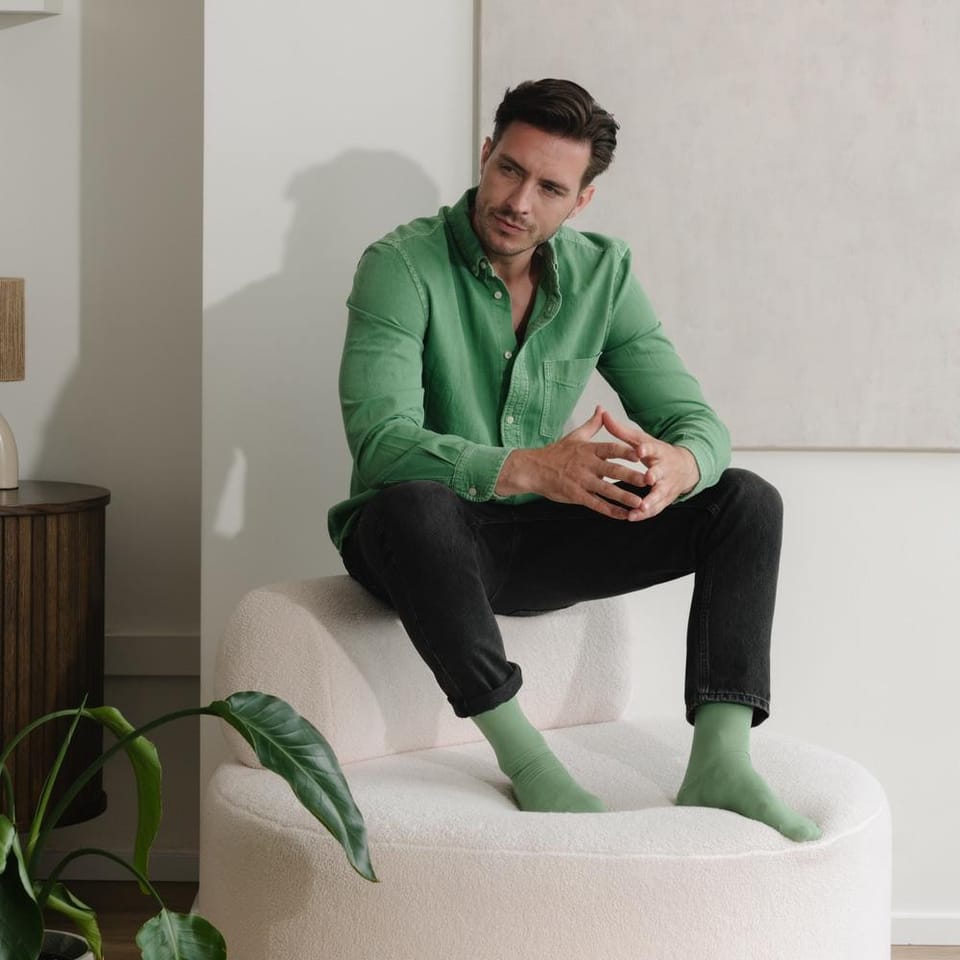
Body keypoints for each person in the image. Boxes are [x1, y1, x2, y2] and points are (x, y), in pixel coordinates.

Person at [329, 78, 820, 841]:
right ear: (485, 154)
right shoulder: (401, 265)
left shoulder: (603, 274)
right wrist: (531, 468)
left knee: (746, 499)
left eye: (550, 187)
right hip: (412, 542)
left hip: (529, 542)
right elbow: (382, 443)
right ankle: (529, 762)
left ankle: (721, 762)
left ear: (581, 199)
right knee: (415, 502)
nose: (519, 201)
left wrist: (678, 465)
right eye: (509, 170)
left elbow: (698, 424)